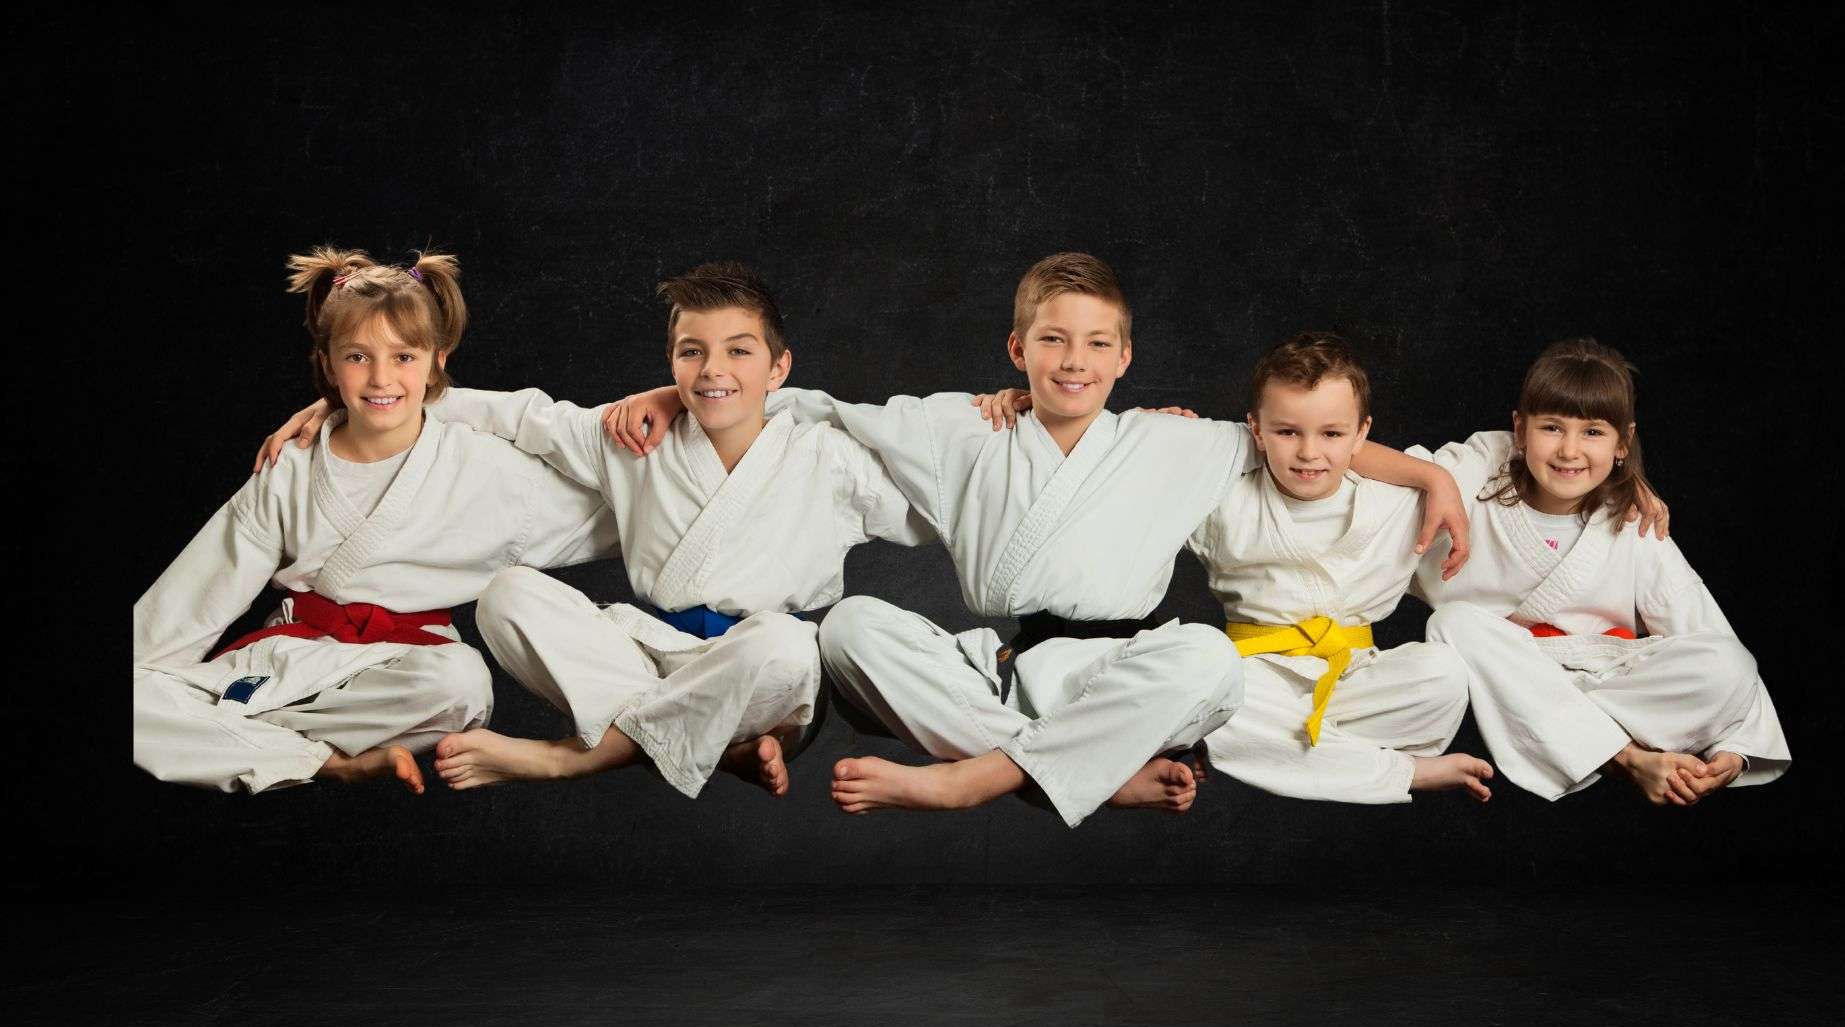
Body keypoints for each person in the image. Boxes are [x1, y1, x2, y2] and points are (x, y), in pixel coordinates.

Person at [604, 254, 1469, 825]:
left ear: (1126, 357)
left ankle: (980, 776)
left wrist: (1432, 477)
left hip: (1116, 671)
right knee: (849, 627)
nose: (1073, 360)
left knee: (1207, 655)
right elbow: (796, 400)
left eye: (1097, 342)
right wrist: (671, 395)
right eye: (1052, 339)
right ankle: (1091, 773)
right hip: (1002, 670)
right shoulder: (957, 429)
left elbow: (1302, 431)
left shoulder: (1177, 441)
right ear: (1018, 348)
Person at [254, 263, 935, 798]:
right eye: (692, 352)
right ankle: (714, 748)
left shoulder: (831, 458)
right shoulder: (630, 434)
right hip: (645, 661)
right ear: (671, 362)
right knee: (508, 594)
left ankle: (571, 760)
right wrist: (356, 405)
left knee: (787, 645)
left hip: (764, 681)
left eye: (739, 351)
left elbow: (943, 497)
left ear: (778, 370)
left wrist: (1011, 413)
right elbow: (519, 416)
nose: (713, 371)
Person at [135, 247, 616, 794]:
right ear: (328, 363)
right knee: (133, 701)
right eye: (358, 357)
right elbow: (184, 606)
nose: (380, 377)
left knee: (462, 683)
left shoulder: (485, 468)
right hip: (286, 666)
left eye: (404, 357)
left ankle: (250, 746)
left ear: (439, 357)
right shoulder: (290, 470)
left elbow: (623, 507)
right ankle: (328, 762)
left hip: (404, 676)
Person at [1418, 339, 1790, 804]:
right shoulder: (1478, 474)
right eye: (1551, 427)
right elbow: (1360, 466)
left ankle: (1564, 728)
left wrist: (1734, 749)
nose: (1570, 450)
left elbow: (1703, 626)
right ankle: (1628, 757)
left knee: (1729, 663)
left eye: (1593, 432)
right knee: (1454, 623)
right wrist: (1435, 479)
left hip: (1601, 679)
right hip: (1510, 664)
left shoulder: (1634, 521)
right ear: (1519, 429)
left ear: (1623, 443)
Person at [1185, 333, 1493, 804]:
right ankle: (1402, 772)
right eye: (1287, 432)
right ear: (1256, 429)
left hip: (1357, 681)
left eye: (1331, 434)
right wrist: (1163, 430)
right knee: (1203, 684)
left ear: (1362, 432)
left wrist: (1626, 477)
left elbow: (1504, 454)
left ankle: (1286, 754)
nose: (1309, 453)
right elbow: (1146, 464)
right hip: (1257, 678)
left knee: (1444, 673)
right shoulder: (1222, 498)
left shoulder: (1395, 498)